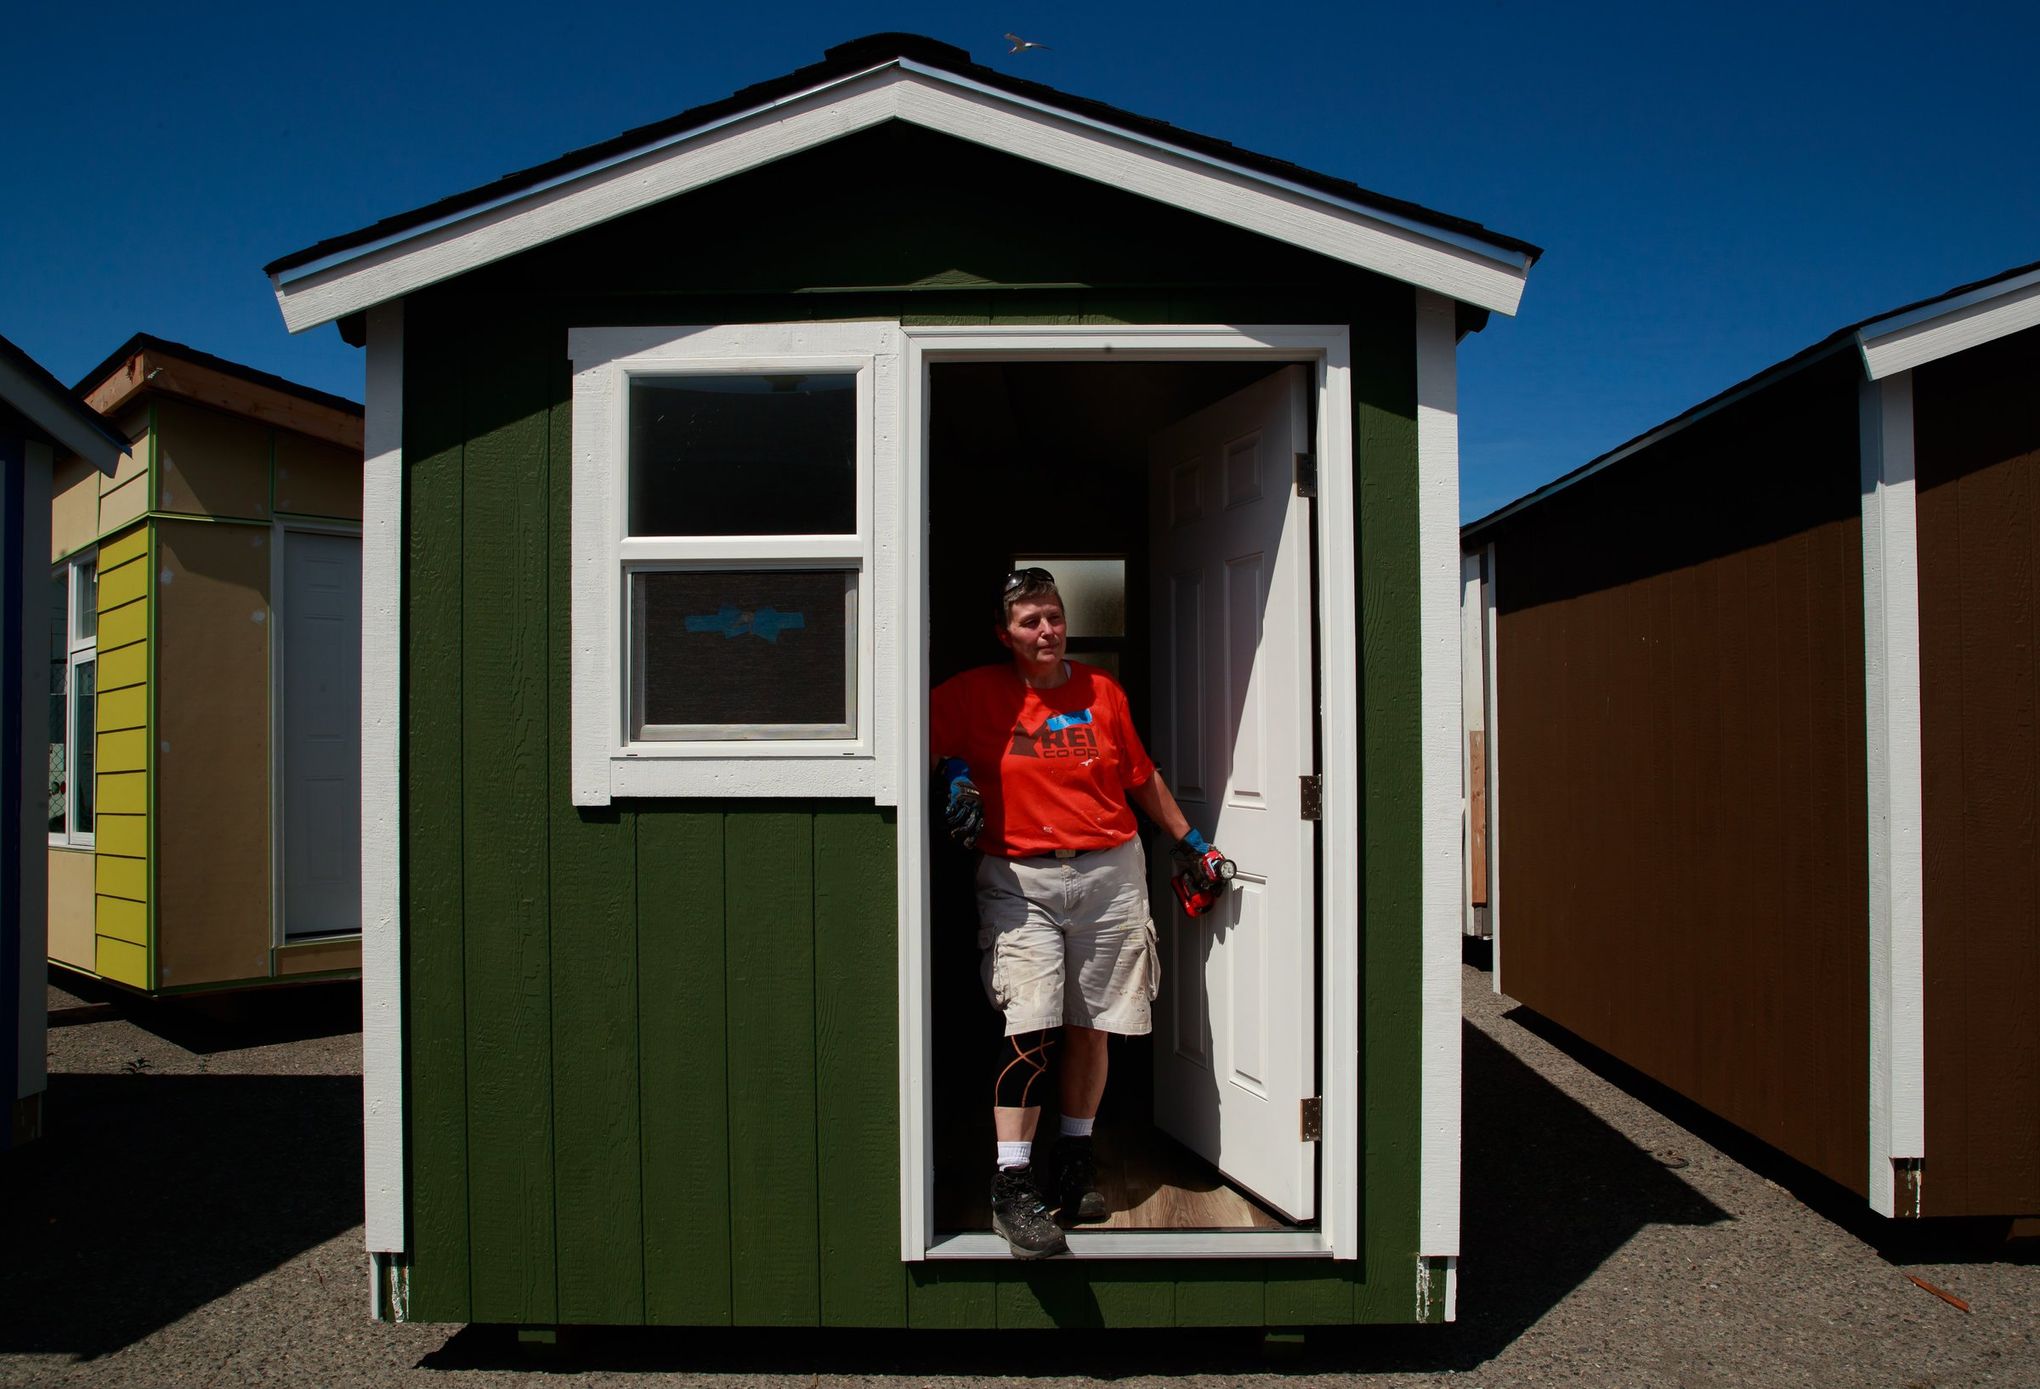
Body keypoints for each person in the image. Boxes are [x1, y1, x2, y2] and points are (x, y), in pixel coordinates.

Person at [931, 567, 1225, 1259]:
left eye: (1055, 615)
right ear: (1006, 633)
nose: (1047, 630)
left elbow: (1139, 774)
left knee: (1093, 1024)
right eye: (1031, 620)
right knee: (1028, 1022)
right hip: (1019, 877)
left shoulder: (1101, 692)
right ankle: (1011, 1181)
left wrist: (1191, 842)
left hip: (1110, 872)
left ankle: (1074, 1153)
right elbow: (915, 733)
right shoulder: (970, 693)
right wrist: (949, 773)